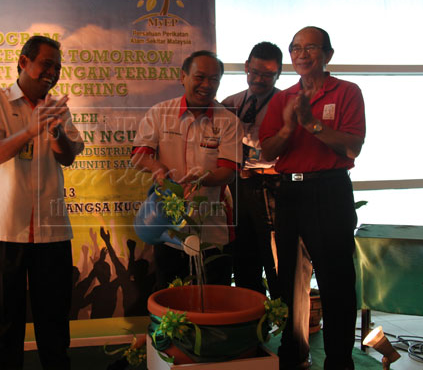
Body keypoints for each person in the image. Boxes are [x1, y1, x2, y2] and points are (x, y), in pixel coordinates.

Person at [0, 35, 84, 370]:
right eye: (45, 64)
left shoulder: (57, 109)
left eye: (57, 67)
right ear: (23, 62)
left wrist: (54, 129)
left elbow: (68, 156)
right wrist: (29, 131)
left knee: (54, 326)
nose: (52, 72)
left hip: (52, 233)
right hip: (3, 232)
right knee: (3, 326)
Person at [259, 26, 365, 370]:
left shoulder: (347, 92)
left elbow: (352, 145)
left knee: (336, 281)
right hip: (289, 191)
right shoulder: (282, 98)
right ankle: (293, 355)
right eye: (295, 48)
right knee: (289, 279)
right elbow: (268, 149)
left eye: (310, 48)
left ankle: (338, 360)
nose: (301, 54)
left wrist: (311, 123)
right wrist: (290, 127)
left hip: (329, 190)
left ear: (328, 54)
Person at [131, 50, 242, 290]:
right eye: (199, 77)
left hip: (213, 229)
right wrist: (157, 168)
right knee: (171, 300)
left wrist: (202, 179)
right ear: (183, 77)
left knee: (214, 299)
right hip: (168, 230)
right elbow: (139, 155)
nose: (206, 85)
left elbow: (228, 172)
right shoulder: (160, 113)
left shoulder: (228, 121)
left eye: (214, 79)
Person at [221, 41, 283, 298]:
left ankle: (285, 322)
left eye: (268, 75)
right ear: (246, 67)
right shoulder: (230, 103)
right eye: (255, 72)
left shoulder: (284, 103)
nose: (259, 80)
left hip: (272, 188)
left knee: (275, 260)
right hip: (236, 186)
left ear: (278, 74)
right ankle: (252, 324)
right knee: (243, 258)